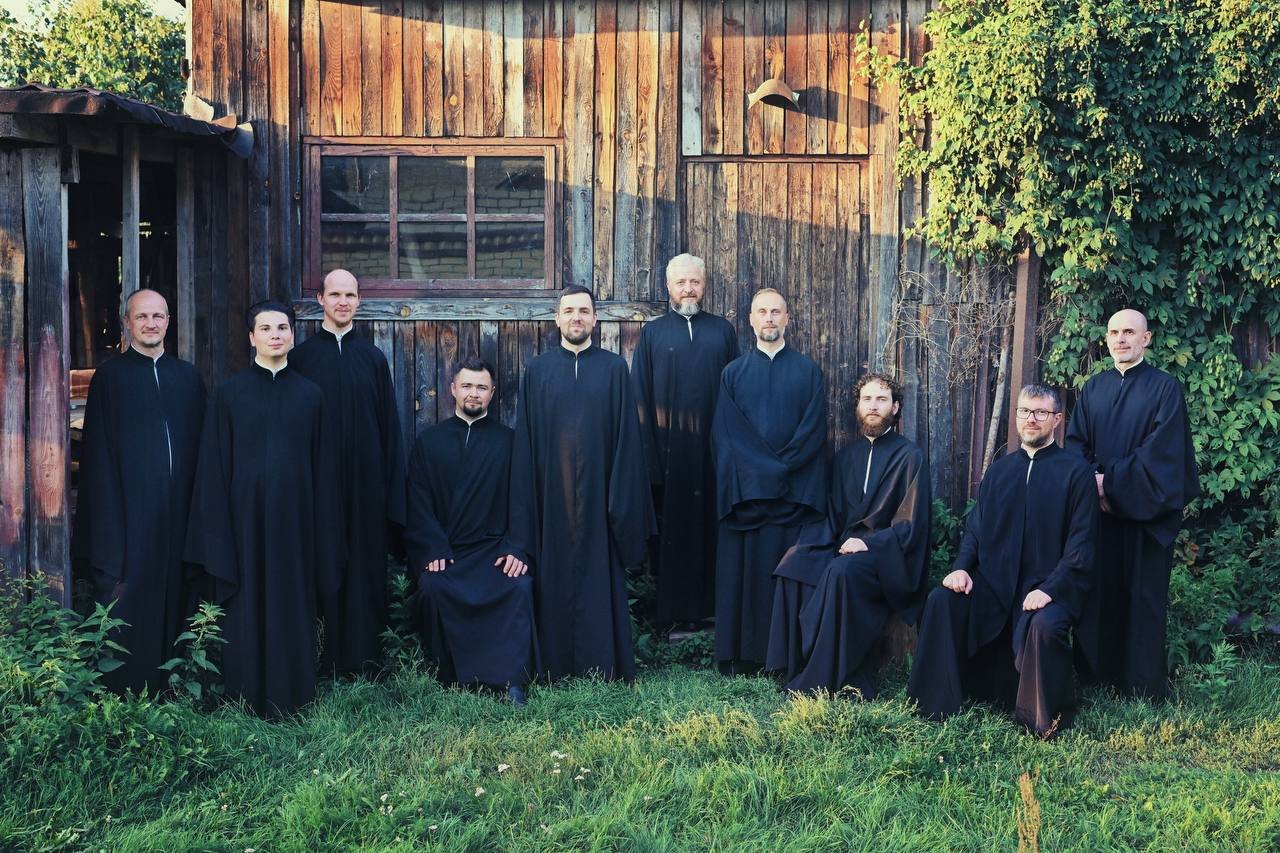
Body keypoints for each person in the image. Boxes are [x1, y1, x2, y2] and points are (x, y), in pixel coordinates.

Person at [908, 385, 1098, 737]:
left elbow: (1081, 546)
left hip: (1049, 586)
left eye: (1041, 413)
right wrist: (961, 568)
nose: (1031, 419)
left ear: (1057, 419)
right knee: (942, 601)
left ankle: (1040, 720)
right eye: (1024, 411)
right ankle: (934, 704)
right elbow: (976, 530)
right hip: (994, 584)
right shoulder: (999, 471)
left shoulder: (1077, 473)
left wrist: (1050, 590)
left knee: (1044, 625)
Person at [185, 301, 340, 717]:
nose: (276, 335)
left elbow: (324, 470)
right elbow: (214, 469)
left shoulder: (311, 396)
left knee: (292, 602)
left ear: (292, 335)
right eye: (266, 328)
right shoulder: (228, 395)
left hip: (296, 523)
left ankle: (295, 696)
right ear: (251, 337)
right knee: (246, 606)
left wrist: (322, 530)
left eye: (283, 327)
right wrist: (218, 532)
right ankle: (245, 695)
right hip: (243, 525)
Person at [508, 286, 655, 682]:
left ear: (595, 319)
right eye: (569, 310)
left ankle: (601, 664)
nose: (577, 317)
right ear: (557, 319)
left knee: (599, 579)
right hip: (551, 499)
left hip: (599, 500)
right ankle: (553, 666)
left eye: (584, 311)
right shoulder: (538, 371)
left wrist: (619, 503)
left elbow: (627, 441)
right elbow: (526, 443)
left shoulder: (614, 369)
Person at [73, 289, 206, 694]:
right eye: (142, 316)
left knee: (180, 591)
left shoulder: (188, 378)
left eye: (158, 316)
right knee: (131, 596)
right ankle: (129, 691)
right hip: (131, 513)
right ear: (127, 323)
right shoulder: (110, 378)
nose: (150, 323)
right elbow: (97, 456)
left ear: (168, 322)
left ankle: (177, 684)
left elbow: (204, 449)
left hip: (181, 512)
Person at [766, 373, 931, 698]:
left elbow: (911, 525)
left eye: (882, 399)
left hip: (887, 555)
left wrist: (868, 543)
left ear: (895, 407)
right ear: (857, 406)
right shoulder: (845, 457)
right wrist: (814, 545)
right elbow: (832, 515)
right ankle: (794, 664)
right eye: (867, 399)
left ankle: (826, 676)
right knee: (794, 563)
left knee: (842, 571)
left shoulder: (910, 456)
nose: (874, 406)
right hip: (844, 546)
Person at [1064, 308, 1199, 699]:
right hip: (1100, 517)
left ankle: (1141, 686)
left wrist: (1109, 484)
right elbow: (1075, 445)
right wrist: (1094, 487)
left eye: (1128, 332)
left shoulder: (1165, 389)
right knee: (1099, 596)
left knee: (1143, 600)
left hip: (1146, 517)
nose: (1120, 339)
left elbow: (1161, 455)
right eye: (1113, 332)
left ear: (1146, 338)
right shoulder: (1093, 389)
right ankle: (1096, 678)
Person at [291, 269, 406, 678]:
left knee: (365, 568)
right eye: (335, 294)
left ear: (359, 301)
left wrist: (390, 489)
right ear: (320, 299)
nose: (343, 302)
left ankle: (366, 660)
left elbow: (388, 427)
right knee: (321, 564)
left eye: (350, 295)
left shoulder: (372, 359)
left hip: (366, 486)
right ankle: (321, 660)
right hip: (317, 487)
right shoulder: (301, 359)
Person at [711, 288, 827, 674]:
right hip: (748, 497)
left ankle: (784, 657)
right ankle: (744, 657)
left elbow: (813, 431)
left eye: (776, 312)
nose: (769, 318)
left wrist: (779, 470)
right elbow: (727, 435)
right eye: (762, 312)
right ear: (750, 320)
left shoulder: (808, 372)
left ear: (787, 318)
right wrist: (763, 472)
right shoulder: (733, 374)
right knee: (745, 577)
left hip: (792, 495)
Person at [407, 357, 535, 705]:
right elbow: (418, 503)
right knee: (433, 587)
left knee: (518, 586)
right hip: (448, 551)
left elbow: (523, 501)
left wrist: (516, 548)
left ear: (492, 393)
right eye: (467, 386)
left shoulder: (510, 443)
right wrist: (432, 548)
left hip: (494, 552)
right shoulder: (429, 443)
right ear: (453, 389)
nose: (473, 393)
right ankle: (451, 676)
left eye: (481, 387)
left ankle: (511, 681)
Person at [630, 253, 739, 627]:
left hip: (714, 454)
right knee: (672, 535)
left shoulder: (723, 331)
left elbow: (736, 392)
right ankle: (675, 618)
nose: (688, 289)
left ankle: (714, 614)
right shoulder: (653, 334)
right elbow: (640, 399)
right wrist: (650, 462)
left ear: (704, 285)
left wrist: (730, 454)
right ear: (668, 287)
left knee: (715, 531)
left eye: (694, 281)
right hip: (670, 456)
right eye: (681, 282)